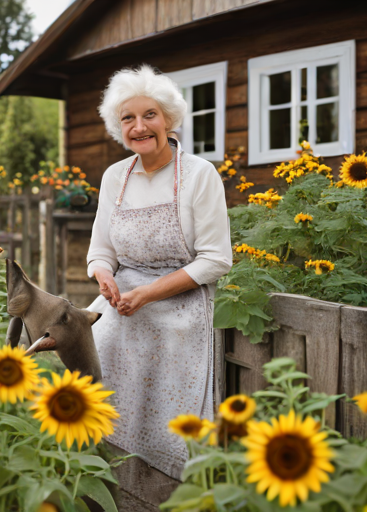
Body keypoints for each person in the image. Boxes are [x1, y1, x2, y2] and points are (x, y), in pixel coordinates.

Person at [86, 65, 233, 479]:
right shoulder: (115, 176)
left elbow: (216, 259)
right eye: (127, 119)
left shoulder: (199, 174)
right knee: (91, 353)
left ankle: (162, 483)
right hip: (122, 298)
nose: (139, 126)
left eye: (149, 114)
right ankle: (107, 472)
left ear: (168, 118)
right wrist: (103, 276)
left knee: (169, 405)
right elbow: (101, 250)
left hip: (182, 302)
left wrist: (149, 294)